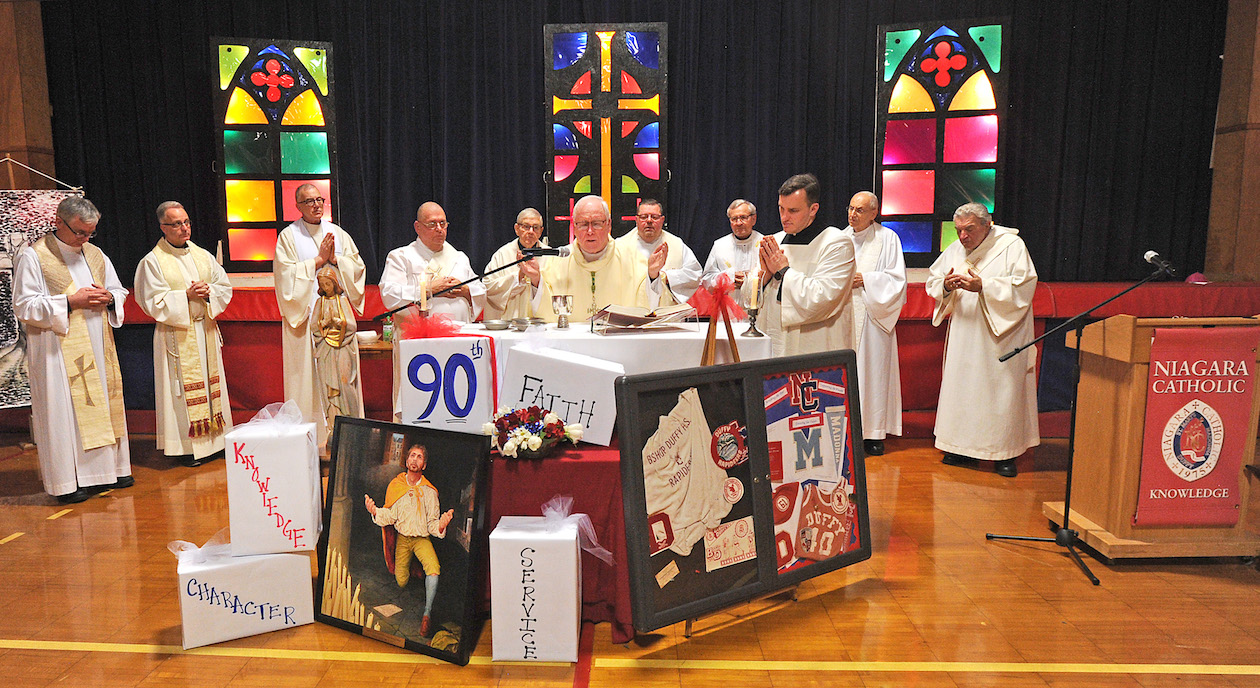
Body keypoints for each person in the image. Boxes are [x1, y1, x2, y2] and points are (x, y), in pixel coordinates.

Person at [13, 197, 131, 504]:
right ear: (58, 222)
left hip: (98, 345)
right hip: (56, 350)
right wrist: (69, 302)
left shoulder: (95, 254)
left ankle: (106, 472)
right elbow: (24, 305)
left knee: (100, 404)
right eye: (79, 232)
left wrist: (110, 298)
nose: (85, 239)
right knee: (64, 413)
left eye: (90, 232)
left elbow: (118, 289)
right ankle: (67, 481)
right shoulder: (34, 256)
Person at [926, 203, 1039, 478]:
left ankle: (1004, 453)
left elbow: (1023, 286)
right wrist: (946, 285)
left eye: (969, 230)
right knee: (963, 388)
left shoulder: (1011, 246)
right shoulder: (956, 249)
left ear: (987, 225)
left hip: (999, 334)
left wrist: (983, 286)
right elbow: (934, 279)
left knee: (999, 391)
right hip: (965, 331)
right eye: (958, 230)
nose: (962, 236)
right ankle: (960, 448)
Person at [134, 201, 233, 468]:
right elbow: (150, 300)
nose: (184, 228)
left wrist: (210, 291)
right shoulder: (153, 261)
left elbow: (224, 285)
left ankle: (216, 442)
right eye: (177, 224)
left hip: (205, 330)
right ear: (163, 227)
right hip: (176, 334)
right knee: (179, 393)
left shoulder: (203, 255)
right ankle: (187, 448)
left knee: (212, 388)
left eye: (186, 222)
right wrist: (185, 296)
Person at [274, 183, 366, 448]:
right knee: (308, 380)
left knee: (343, 379)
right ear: (298, 206)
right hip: (307, 321)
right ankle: (311, 440)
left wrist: (336, 260)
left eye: (319, 199)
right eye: (309, 201)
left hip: (338, 319)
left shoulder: (338, 233)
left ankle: (347, 436)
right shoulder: (288, 237)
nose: (316, 205)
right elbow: (284, 277)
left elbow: (358, 268)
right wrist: (317, 260)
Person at [756, 174, 856, 356]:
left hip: (816, 345)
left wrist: (784, 270)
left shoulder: (836, 243)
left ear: (813, 209)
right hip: (775, 342)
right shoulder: (775, 241)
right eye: (781, 208)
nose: (784, 217)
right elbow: (749, 299)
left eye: (793, 210)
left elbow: (823, 298)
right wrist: (763, 278)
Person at [525, 195, 666, 322]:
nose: (590, 231)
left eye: (597, 223)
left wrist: (653, 275)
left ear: (609, 225)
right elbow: (543, 309)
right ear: (574, 227)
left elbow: (647, 305)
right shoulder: (558, 261)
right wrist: (536, 280)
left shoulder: (631, 259)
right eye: (583, 224)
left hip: (616, 340)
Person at [839, 192, 906, 457]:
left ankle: (873, 434)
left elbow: (897, 280)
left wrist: (866, 279)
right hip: (844, 315)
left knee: (873, 373)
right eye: (851, 208)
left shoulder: (888, 239)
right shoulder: (839, 238)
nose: (853, 214)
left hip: (873, 317)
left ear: (874, 213)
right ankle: (845, 429)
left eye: (860, 210)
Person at [365, 442, 454, 639]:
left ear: (424, 465)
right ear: (406, 461)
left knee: (434, 569)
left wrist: (441, 524)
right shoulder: (395, 485)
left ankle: (427, 614)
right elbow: (389, 516)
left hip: (422, 540)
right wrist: (375, 511)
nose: (415, 459)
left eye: (419, 457)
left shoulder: (430, 492)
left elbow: (432, 525)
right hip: (403, 539)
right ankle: (410, 573)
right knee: (401, 580)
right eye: (412, 455)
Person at [380, 202, 485, 322]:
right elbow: (389, 294)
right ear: (417, 227)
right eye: (432, 224)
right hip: (419, 330)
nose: (439, 229)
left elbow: (480, 291)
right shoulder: (400, 257)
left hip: (460, 328)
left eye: (442, 223)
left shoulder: (459, 257)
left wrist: (465, 290)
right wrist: (428, 289)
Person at [615, 199, 702, 305]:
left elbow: (695, 274)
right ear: (636, 219)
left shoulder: (676, 244)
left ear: (662, 220)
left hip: (666, 312)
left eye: (654, 217)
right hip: (632, 311)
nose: (649, 221)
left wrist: (667, 277)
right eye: (644, 217)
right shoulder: (620, 246)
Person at [311, 265, 364, 428]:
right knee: (329, 387)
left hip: (343, 346)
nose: (326, 287)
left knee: (345, 382)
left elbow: (352, 326)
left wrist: (341, 322)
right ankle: (333, 424)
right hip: (325, 348)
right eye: (323, 285)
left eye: (328, 284)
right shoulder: (320, 302)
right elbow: (313, 326)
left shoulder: (342, 301)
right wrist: (324, 323)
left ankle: (352, 420)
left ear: (335, 283)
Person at [482, 208, 547, 320]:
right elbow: (488, 286)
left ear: (541, 231)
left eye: (535, 227)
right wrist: (519, 276)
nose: (531, 231)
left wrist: (536, 280)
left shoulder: (549, 255)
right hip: (509, 321)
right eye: (526, 226)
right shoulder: (502, 254)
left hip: (539, 321)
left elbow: (555, 290)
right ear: (517, 229)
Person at [701, 199, 764, 311]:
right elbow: (706, 280)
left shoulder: (764, 243)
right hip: (728, 312)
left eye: (743, 217)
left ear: (754, 219)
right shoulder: (720, 245)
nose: (738, 223)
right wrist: (729, 278)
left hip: (759, 310)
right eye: (734, 219)